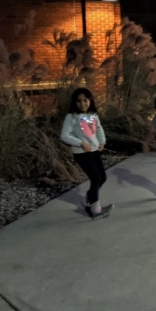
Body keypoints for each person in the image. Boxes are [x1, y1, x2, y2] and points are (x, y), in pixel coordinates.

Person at [61, 88, 112, 220]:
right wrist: (80, 143)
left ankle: (91, 197)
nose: (82, 104)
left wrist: (102, 141)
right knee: (95, 178)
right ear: (74, 103)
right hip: (82, 153)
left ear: (90, 100)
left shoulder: (93, 115)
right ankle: (95, 210)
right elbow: (64, 135)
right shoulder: (71, 117)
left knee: (102, 177)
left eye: (85, 100)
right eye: (79, 101)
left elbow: (99, 129)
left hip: (94, 151)